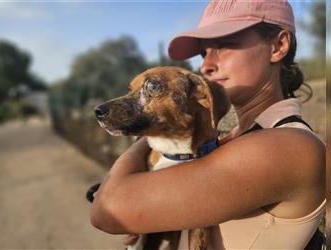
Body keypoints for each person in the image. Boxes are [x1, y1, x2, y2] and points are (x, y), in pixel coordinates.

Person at [90, 0, 326, 249]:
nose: (205, 66)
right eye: (204, 53)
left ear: (278, 46)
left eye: (224, 46)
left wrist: (147, 133)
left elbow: (106, 210)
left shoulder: (288, 147)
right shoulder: (228, 141)